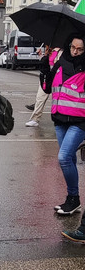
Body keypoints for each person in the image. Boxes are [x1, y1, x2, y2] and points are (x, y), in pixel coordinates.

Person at [40, 34, 85, 215]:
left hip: (80, 121)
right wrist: (43, 70)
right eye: (73, 47)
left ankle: (73, 198)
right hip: (59, 119)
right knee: (70, 159)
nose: (75, 51)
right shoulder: (60, 63)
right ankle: (73, 200)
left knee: (64, 157)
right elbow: (47, 88)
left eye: (80, 49)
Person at [25, 46, 61, 127]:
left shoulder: (62, 51)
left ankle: (60, 119)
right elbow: (44, 64)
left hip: (56, 78)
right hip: (46, 78)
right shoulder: (49, 50)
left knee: (58, 100)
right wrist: (41, 56)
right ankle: (35, 119)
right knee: (40, 98)